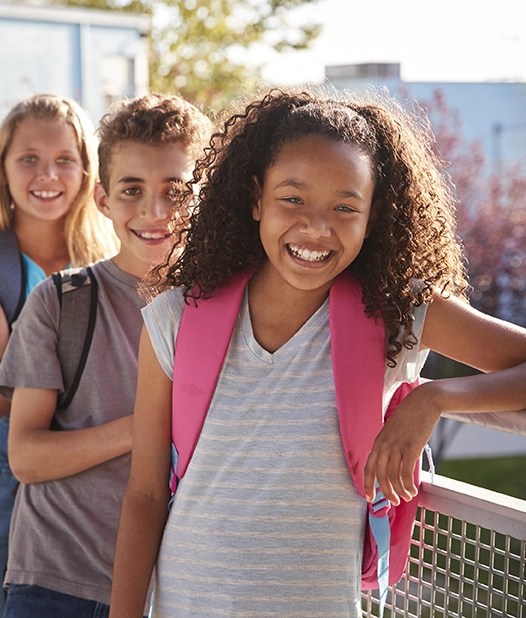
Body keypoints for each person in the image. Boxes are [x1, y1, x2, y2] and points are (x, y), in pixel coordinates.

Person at [109, 89, 526, 618]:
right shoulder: (175, 317)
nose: (315, 227)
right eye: (292, 198)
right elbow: (145, 497)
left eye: (345, 207)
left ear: (373, 216)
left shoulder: (399, 310)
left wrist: (434, 399)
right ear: (256, 197)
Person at [0, 94, 212, 617]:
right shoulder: (61, 300)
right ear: (102, 199)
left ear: (204, 198)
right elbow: (25, 456)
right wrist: (147, 427)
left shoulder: (224, 310)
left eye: (174, 191)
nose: (153, 211)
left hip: (175, 586)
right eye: (132, 189)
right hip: (55, 579)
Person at [0, 93, 117, 618]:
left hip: (85, 467)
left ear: (87, 171)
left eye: (65, 160)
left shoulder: (107, 259)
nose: (48, 174)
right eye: (28, 159)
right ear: (3, 168)